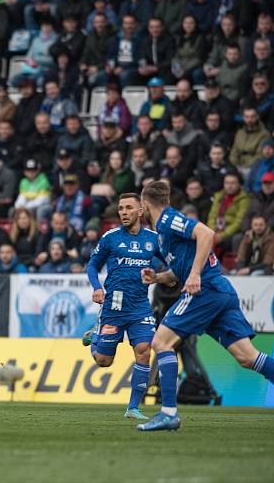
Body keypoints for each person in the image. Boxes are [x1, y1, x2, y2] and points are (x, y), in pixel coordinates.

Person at [137, 181, 274, 431]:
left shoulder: (168, 220)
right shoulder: (163, 235)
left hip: (206, 290)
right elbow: (179, 272)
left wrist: (195, 275)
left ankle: (168, 414)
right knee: (247, 357)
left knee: (161, 342)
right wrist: (158, 277)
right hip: (219, 291)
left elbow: (206, 233)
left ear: (146, 205)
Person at [82, 193, 159, 420]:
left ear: (140, 211)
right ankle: (95, 337)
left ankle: (133, 408)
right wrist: (97, 287)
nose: (123, 212)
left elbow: (169, 261)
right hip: (114, 305)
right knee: (103, 362)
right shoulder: (111, 237)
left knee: (144, 351)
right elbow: (92, 265)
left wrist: (169, 276)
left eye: (128, 208)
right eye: (120, 208)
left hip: (141, 307)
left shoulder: (153, 239)